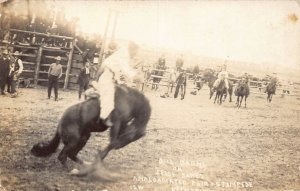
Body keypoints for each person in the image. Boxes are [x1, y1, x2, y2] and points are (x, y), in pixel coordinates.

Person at [87, 42, 139, 127]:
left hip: (111, 76)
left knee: (121, 93)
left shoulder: (122, 53)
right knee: (109, 98)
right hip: (107, 77)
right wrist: (135, 76)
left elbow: (118, 70)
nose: (135, 54)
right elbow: (125, 70)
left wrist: (124, 81)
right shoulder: (124, 54)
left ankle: (119, 116)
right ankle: (104, 118)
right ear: (132, 49)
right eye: (135, 52)